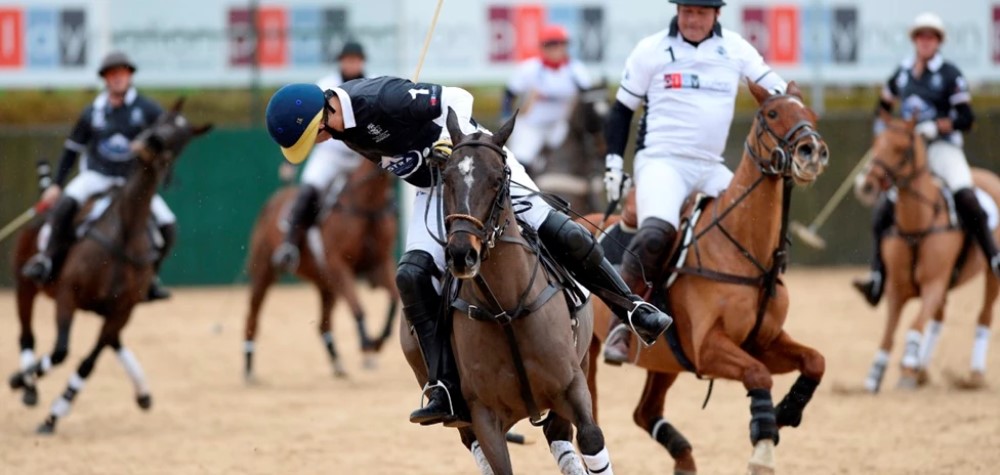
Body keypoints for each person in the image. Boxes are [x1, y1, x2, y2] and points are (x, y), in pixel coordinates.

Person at [264, 76, 672, 426]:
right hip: (434, 190)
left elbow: (457, 97)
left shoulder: (380, 98)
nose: (318, 142)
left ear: (322, 117)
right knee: (410, 275)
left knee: (564, 233)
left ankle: (631, 308)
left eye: (312, 135)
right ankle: (443, 386)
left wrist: (447, 141)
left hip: (477, 167)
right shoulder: (341, 123)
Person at [601, 0, 787, 363]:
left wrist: (792, 107)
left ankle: (758, 309)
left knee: (756, 223)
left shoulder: (735, 48)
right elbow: (622, 110)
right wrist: (612, 162)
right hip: (661, 161)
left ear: (717, 14)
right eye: (686, 11)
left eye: (700, 12)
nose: (692, 19)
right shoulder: (651, 49)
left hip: (711, 166)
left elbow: (776, 90)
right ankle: (621, 324)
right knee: (656, 231)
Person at [853, 12, 1000, 306]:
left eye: (930, 37)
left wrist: (937, 126)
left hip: (943, 148)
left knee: (966, 197)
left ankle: (994, 258)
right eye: (921, 36)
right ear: (914, 40)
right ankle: (877, 278)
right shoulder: (903, 72)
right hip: (909, 153)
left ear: (938, 42)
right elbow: (882, 107)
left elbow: (967, 118)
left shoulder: (949, 74)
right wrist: (887, 134)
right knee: (884, 209)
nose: (925, 41)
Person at [22, 51, 175, 301]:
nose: (118, 78)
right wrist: (57, 184)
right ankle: (47, 260)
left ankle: (151, 277)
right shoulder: (93, 111)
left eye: (122, 73)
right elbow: (72, 150)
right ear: (105, 79)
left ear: (130, 76)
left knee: (168, 226)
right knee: (65, 207)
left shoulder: (146, 109)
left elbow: (167, 135)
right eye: (112, 74)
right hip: (96, 176)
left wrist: (149, 146)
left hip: (131, 183)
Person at [272, 41, 368, 271]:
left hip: (362, 156)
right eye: (348, 59)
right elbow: (303, 123)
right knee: (310, 187)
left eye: (355, 59)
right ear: (340, 62)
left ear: (362, 62)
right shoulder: (325, 86)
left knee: (380, 192)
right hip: (330, 153)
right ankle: (289, 245)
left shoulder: (370, 83)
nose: (351, 63)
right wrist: (289, 161)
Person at [502, 24, 592, 174]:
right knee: (520, 162)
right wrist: (505, 116)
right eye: (551, 44)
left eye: (560, 44)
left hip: (559, 125)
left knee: (577, 156)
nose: (556, 48)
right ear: (543, 47)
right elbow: (509, 93)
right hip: (531, 125)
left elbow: (589, 98)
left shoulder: (576, 71)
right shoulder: (530, 69)